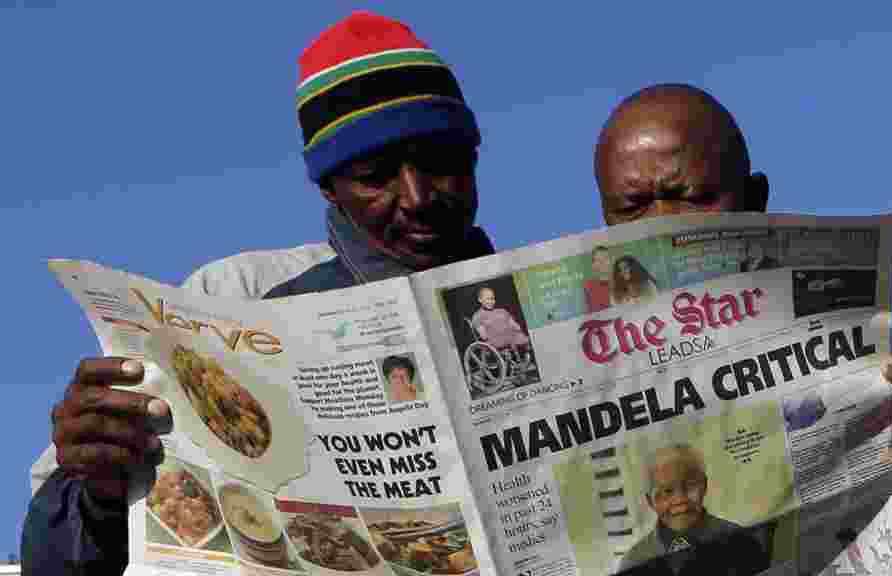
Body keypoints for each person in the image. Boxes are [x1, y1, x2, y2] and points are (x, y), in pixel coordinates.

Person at [22, 11, 495, 575]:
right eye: (375, 175)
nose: (417, 197)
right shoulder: (234, 301)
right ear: (329, 186)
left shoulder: (530, 299)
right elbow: (54, 563)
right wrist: (94, 489)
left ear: (474, 157)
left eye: (442, 164)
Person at [594, 83, 892, 571]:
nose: (660, 229)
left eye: (693, 198)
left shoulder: (871, 373)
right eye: (631, 208)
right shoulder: (591, 388)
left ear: (755, 201)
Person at [618, 444, 769, 575]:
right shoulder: (633, 563)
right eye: (667, 491)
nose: (680, 500)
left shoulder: (742, 543)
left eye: (689, 486)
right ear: (650, 501)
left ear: (704, 485)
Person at [471, 286, 532, 354]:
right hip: (495, 340)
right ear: (480, 300)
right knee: (504, 340)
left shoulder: (502, 311)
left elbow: (515, 325)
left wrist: (515, 327)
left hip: (510, 336)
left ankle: (527, 349)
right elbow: (484, 336)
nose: (491, 302)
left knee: (524, 338)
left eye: (492, 299)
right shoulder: (477, 316)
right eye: (488, 299)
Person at [583, 246, 612, 313]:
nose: (602, 262)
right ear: (593, 264)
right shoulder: (589, 285)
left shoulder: (619, 280)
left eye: (605, 258)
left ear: (610, 261)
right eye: (598, 260)